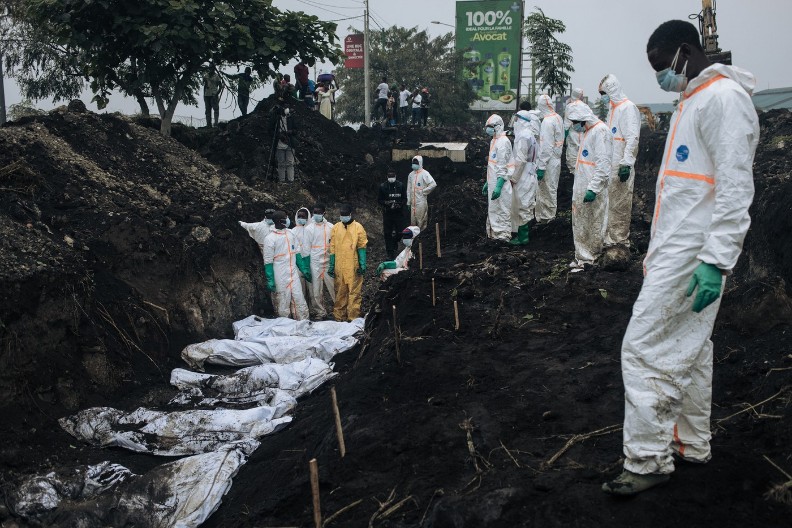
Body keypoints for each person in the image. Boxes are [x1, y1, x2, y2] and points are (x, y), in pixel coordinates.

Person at [602, 19, 759, 496]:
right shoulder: (694, 99)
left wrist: (717, 259)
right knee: (692, 348)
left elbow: (735, 189)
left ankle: (647, 459)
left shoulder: (723, 100)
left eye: (661, 67)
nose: (659, 77)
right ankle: (690, 442)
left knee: (644, 348)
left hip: (694, 252)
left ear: (685, 52)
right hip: (679, 248)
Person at [566, 102, 612, 271]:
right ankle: (581, 257)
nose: (573, 125)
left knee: (593, 223)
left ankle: (590, 259)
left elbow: (603, 164)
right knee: (581, 223)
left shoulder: (600, 132)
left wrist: (593, 188)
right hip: (582, 187)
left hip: (592, 188)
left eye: (574, 121)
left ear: (583, 119)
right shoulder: (588, 131)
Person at [598, 74, 641, 248]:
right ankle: (609, 237)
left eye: (604, 93)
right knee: (610, 203)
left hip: (621, 166)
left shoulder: (627, 108)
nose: (603, 98)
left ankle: (619, 240)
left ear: (612, 90)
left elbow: (632, 138)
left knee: (620, 204)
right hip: (610, 166)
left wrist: (627, 163)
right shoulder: (613, 110)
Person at [263, 211, 311, 320]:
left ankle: (303, 322)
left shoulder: (290, 234)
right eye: (286, 218)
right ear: (281, 221)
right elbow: (268, 261)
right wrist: (270, 279)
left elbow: (297, 253)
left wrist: (304, 269)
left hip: (293, 273)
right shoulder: (270, 239)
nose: (288, 219)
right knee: (282, 302)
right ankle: (284, 326)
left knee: (299, 299)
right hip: (280, 275)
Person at [328, 204, 368, 321]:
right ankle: (339, 317)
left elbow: (361, 246)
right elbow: (333, 247)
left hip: (353, 265)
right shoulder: (336, 227)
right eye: (342, 215)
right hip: (339, 265)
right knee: (340, 292)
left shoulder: (357, 227)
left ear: (351, 214)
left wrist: (362, 263)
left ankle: (353, 317)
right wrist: (332, 264)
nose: (343, 217)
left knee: (354, 292)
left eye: (345, 215)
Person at [482, 114, 513, 242]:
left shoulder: (503, 142)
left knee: (502, 210)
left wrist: (499, 185)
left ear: (498, 127)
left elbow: (503, 166)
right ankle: (494, 236)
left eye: (490, 127)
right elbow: (493, 165)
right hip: (493, 182)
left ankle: (503, 237)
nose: (488, 129)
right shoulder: (494, 141)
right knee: (493, 209)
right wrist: (488, 182)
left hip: (501, 184)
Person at [508, 110, 538, 245]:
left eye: (516, 120)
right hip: (530, 173)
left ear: (520, 121)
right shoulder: (529, 134)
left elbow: (520, 160)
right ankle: (522, 235)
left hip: (524, 175)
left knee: (522, 204)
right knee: (525, 203)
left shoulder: (523, 136)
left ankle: (522, 237)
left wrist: (514, 178)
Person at [535, 94, 564, 223]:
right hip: (556, 159)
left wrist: (541, 166)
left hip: (549, 160)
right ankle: (548, 216)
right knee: (552, 187)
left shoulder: (547, 122)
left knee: (546, 189)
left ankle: (547, 217)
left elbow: (546, 147)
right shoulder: (558, 117)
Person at [303, 204, 335, 319]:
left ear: (324, 213)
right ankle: (320, 312)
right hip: (315, 261)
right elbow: (306, 249)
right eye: (314, 212)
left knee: (333, 286)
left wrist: (333, 261)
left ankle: (339, 310)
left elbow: (334, 245)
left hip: (328, 260)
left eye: (319, 212)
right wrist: (306, 266)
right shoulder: (309, 229)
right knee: (315, 289)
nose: (316, 215)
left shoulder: (331, 227)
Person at [378, 169, 408, 259]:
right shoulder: (383, 187)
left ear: (395, 177)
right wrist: (387, 203)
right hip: (388, 213)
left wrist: (400, 205)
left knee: (401, 232)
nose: (391, 179)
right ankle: (390, 252)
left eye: (393, 177)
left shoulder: (401, 185)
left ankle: (395, 242)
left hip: (399, 213)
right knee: (388, 233)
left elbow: (405, 198)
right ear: (387, 177)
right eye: (389, 177)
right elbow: (379, 200)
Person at [406, 156, 437, 232]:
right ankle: (413, 241)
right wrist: (408, 202)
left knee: (421, 222)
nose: (414, 164)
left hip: (421, 202)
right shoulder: (411, 175)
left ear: (420, 163)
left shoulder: (424, 173)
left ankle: (421, 239)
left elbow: (433, 184)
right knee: (413, 223)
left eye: (416, 163)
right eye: (413, 163)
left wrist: (424, 191)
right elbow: (409, 189)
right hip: (413, 203)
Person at [269, 101, 295, 183]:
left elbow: (297, 130)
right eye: (285, 107)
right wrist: (279, 135)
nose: (286, 109)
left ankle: (291, 180)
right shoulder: (276, 118)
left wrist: (290, 132)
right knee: (281, 163)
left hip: (289, 143)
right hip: (279, 144)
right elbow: (270, 130)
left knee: (290, 162)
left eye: (287, 107)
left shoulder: (291, 118)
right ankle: (282, 181)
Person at [291, 207, 313, 303]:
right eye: (299, 216)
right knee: (300, 289)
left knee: (313, 290)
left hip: (312, 262)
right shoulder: (293, 231)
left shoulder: (312, 229)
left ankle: (316, 311)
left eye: (303, 216)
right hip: (298, 263)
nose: (301, 218)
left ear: (308, 217)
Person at [563, 88, 586, 175]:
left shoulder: (583, 106)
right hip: (573, 135)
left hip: (581, 134)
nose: (582, 97)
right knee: (573, 161)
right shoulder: (570, 106)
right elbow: (567, 123)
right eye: (581, 96)